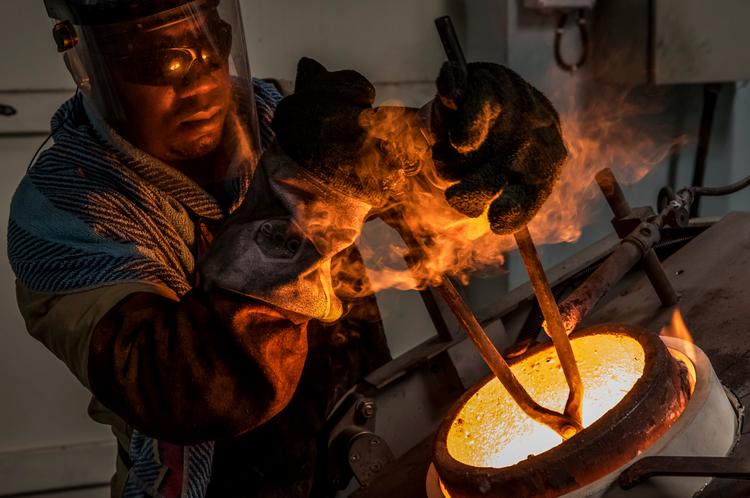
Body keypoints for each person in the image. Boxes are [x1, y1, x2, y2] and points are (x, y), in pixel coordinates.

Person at [7, 1, 567, 497]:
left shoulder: (277, 117)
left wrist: (462, 143)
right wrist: (306, 191)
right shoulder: (65, 210)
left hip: (361, 452)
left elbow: (408, 195)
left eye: (208, 41)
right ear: (86, 58)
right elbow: (194, 386)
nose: (197, 79)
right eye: (155, 57)